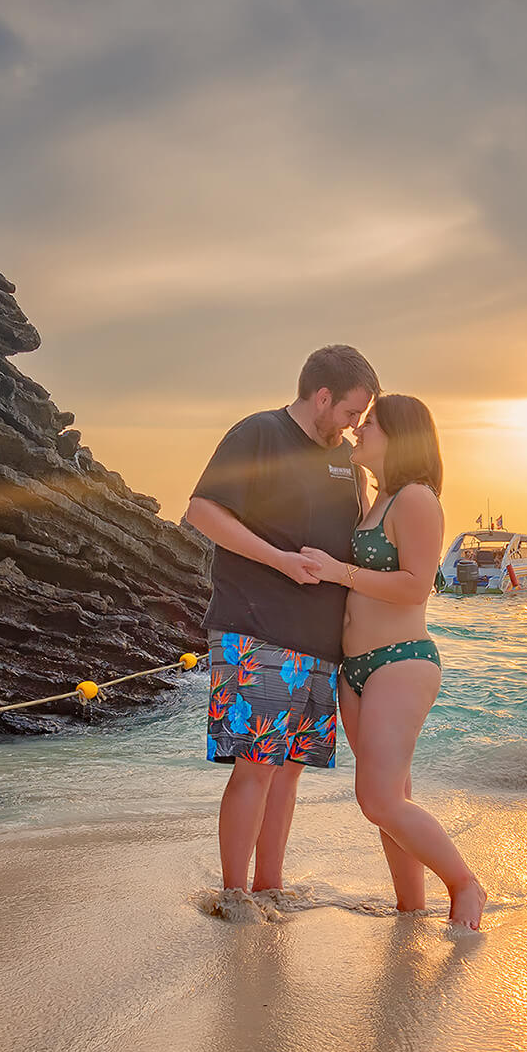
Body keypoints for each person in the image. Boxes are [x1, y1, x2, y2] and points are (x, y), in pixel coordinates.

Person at [184, 346, 380, 893]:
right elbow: (201, 511)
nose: (353, 425)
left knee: (289, 771)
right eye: (349, 412)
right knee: (256, 765)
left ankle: (270, 888)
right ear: (322, 397)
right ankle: (233, 894)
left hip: (321, 643)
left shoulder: (344, 460)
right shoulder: (258, 434)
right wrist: (279, 561)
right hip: (256, 627)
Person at [298, 395, 486, 929]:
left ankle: (466, 884)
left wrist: (338, 572)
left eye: (371, 423)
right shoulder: (375, 502)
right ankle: (411, 908)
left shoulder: (417, 500)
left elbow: (415, 585)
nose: (359, 430)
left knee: (377, 798)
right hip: (355, 671)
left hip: (400, 662)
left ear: (399, 437)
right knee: (392, 798)